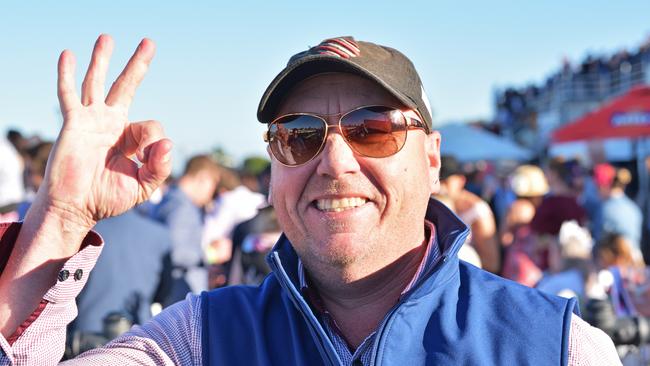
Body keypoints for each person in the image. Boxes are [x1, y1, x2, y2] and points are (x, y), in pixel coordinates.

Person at [0, 35, 620, 365]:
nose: (335, 161)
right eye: (300, 136)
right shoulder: (199, 340)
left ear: (431, 159)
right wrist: (60, 218)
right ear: (274, 169)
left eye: (372, 129)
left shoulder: (557, 347)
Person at [151, 154, 220, 305]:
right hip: (180, 295)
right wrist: (211, 254)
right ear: (203, 178)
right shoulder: (182, 207)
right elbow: (174, 252)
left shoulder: (172, 199)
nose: (211, 194)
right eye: (213, 185)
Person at [439, 156, 500, 273]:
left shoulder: (477, 210)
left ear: (461, 180)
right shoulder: (436, 203)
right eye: (438, 180)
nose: (441, 187)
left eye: (445, 181)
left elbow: (492, 263)